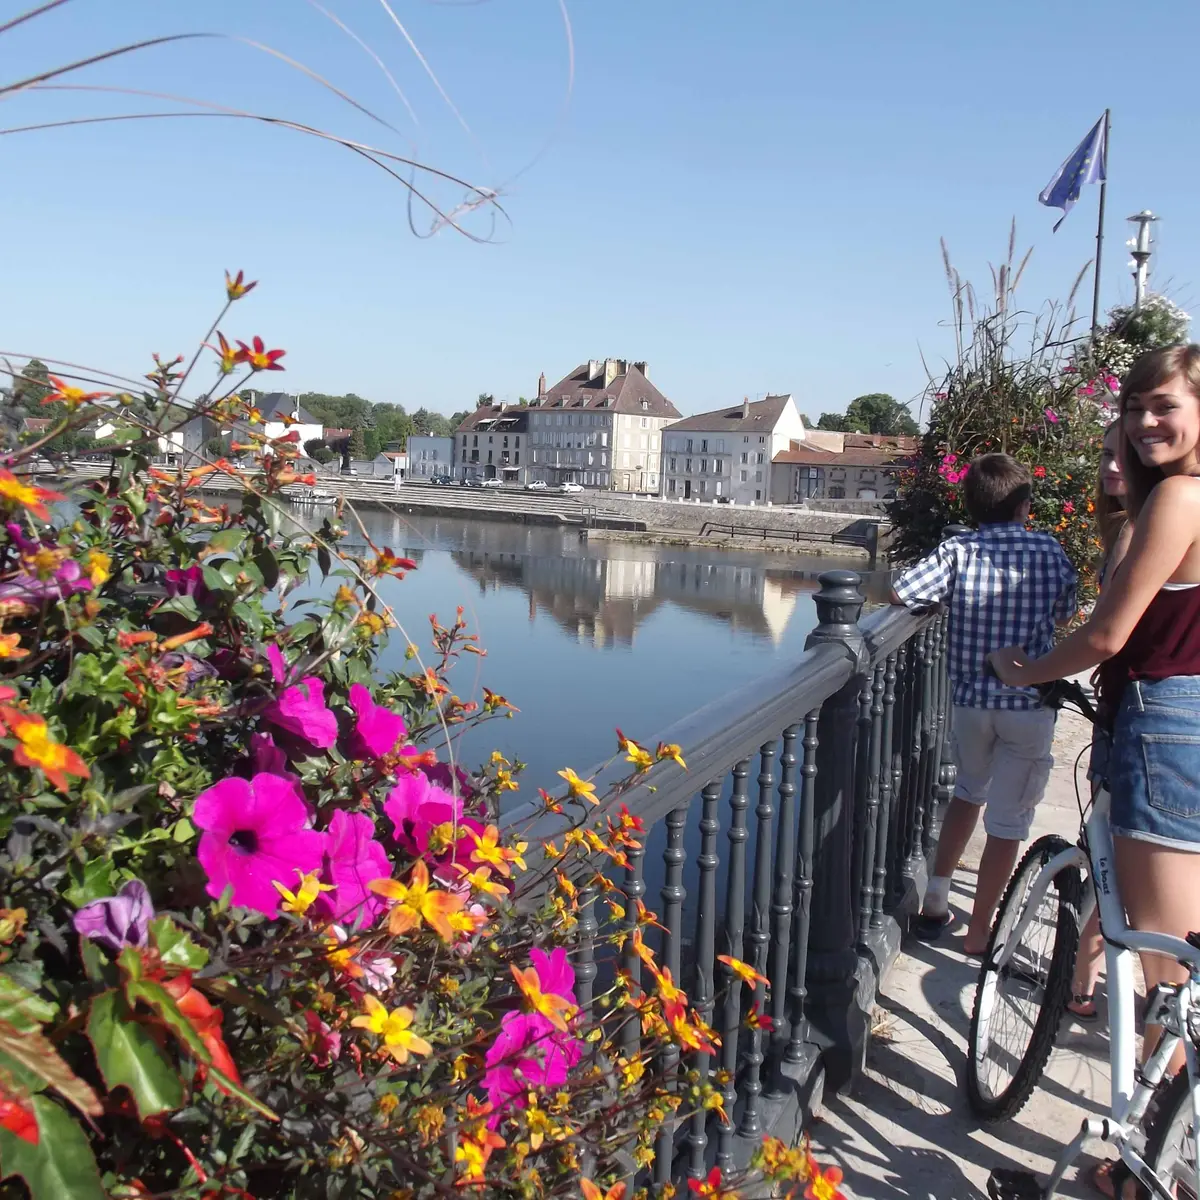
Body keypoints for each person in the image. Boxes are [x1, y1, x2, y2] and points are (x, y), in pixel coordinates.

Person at [989, 345, 1200, 1200]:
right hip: (1167, 721)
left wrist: (1024, 671)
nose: (1147, 424)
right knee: (1167, 960)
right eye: (1135, 407)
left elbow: (1109, 637)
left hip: (1161, 727)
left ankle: (1151, 1169)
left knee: (1166, 977)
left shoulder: (1180, 499)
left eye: (1165, 407)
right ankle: (1143, 1155)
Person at [892, 452, 1078, 954]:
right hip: (1028, 702)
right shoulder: (1049, 550)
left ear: (972, 506)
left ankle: (935, 899)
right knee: (1009, 821)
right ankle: (980, 932)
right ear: (1025, 507)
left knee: (968, 790)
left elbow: (902, 591)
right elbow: (1066, 615)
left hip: (972, 702)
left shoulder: (960, 550)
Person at [1067, 420, 1133, 1023]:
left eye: (1125, 454)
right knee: (1106, 856)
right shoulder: (1124, 529)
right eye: (1107, 452)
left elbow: (1107, 635)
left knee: (1116, 863)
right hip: (1121, 715)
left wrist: (1027, 671)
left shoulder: (1142, 528)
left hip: (1145, 721)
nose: (1112, 466)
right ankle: (1084, 984)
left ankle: (1162, 1076)